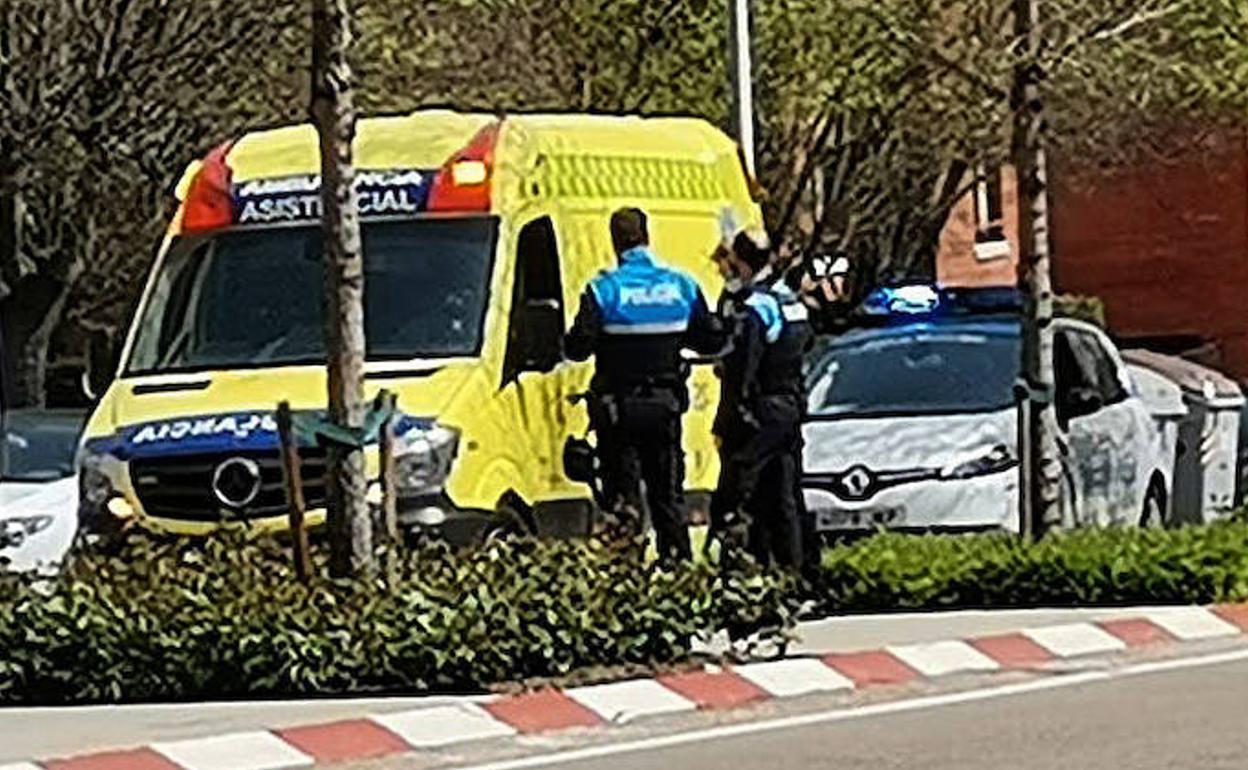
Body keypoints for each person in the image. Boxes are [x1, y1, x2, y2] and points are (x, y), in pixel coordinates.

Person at [565, 207, 722, 565]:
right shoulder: (681, 286)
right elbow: (711, 339)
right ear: (647, 236)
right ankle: (679, 569)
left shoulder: (604, 290)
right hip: (665, 405)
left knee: (623, 497)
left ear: (615, 241)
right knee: (668, 495)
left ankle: (627, 573)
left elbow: (576, 349)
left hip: (618, 411)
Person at [709, 230, 809, 571]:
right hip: (791, 406)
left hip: (762, 410)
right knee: (786, 497)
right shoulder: (790, 300)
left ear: (740, 260)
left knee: (739, 494)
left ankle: (744, 573)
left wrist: (737, 412)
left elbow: (744, 367)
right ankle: (797, 575)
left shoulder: (757, 307)